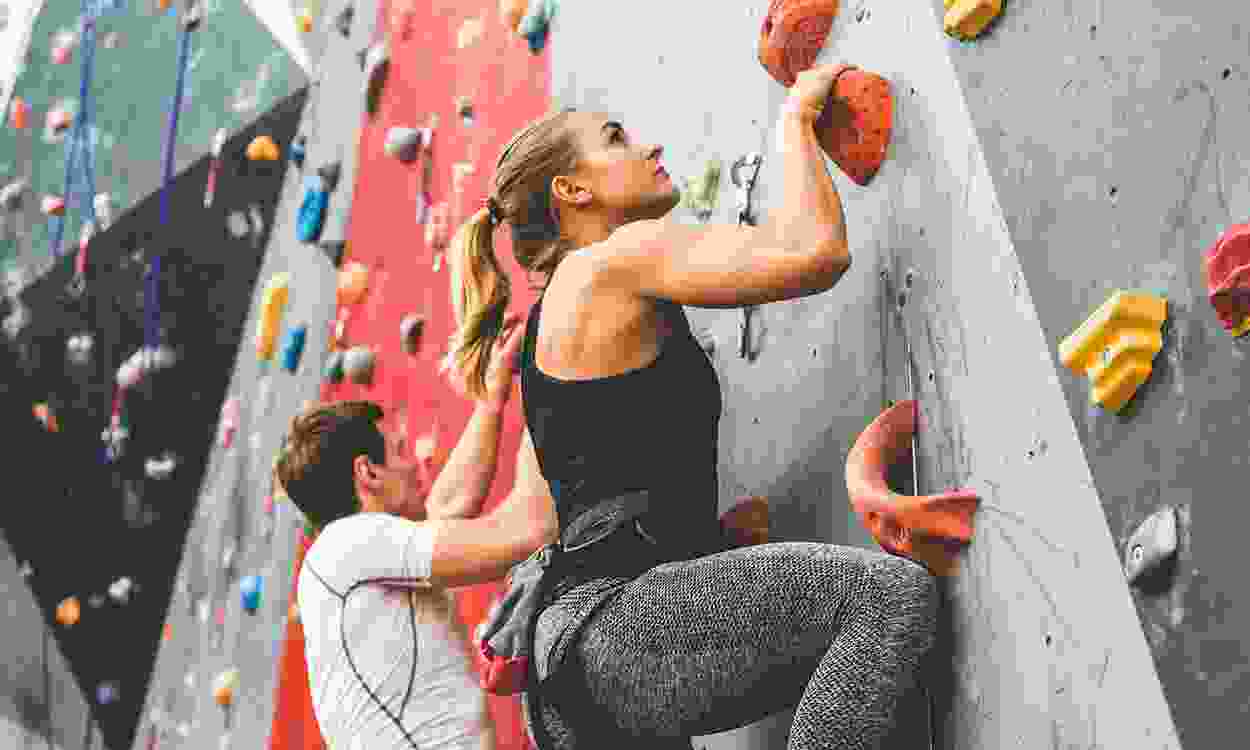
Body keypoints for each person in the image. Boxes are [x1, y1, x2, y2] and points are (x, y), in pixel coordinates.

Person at [443, 62, 939, 749]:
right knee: (882, 600)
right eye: (615, 138)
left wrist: (703, 549)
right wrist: (796, 118)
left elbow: (547, 522)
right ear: (573, 190)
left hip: (573, 673)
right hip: (610, 629)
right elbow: (816, 251)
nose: (646, 146)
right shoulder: (609, 260)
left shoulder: (547, 338)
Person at [275, 314, 557, 750]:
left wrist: (494, 393)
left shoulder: (339, 563)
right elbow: (531, 531)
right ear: (368, 473)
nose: (414, 464)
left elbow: (447, 508)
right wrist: (553, 369)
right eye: (399, 451)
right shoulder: (347, 548)